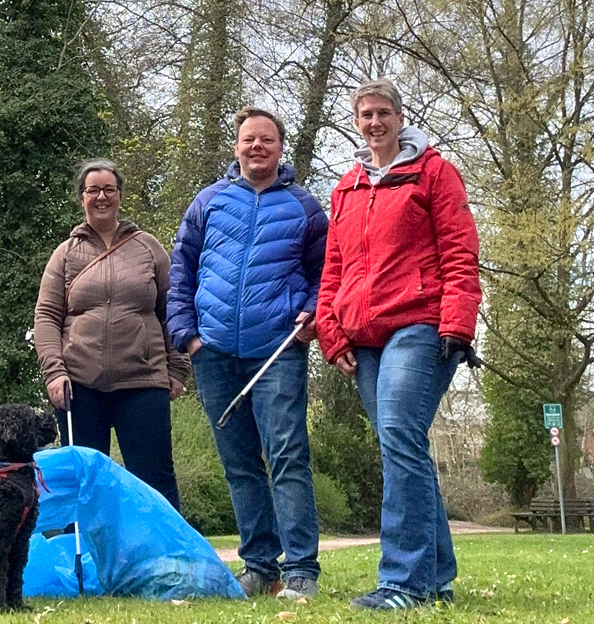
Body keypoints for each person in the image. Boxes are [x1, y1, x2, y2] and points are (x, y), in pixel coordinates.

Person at [315, 78, 481, 610]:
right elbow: (334, 268)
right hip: (362, 337)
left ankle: (403, 583)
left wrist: (457, 322)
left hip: (420, 325)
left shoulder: (433, 172)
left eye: (383, 112)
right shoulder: (347, 188)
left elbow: (459, 250)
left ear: (399, 117)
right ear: (356, 123)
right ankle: (436, 579)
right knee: (402, 445)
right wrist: (330, 331)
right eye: (365, 114)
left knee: (398, 437)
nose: (374, 122)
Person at [167, 107, 327, 600]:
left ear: (280, 148)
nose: (257, 147)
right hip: (213, 352)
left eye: (267, 140)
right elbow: (181, 268)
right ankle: (259, 566)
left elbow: (326, 274)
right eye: (248, 139)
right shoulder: (209, 201)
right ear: (236, 147)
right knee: (238, 464)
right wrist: (187, 335)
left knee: (287, 457)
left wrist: (313, 314)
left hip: (278, 352)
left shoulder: (305, 207)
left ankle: (300, 570)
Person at [34, 158, 191, 511]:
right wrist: (54, 372)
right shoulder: (64, 254)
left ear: (120, 195)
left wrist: (178, 367)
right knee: (83, 484)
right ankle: (84, 548)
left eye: (109, 189)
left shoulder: (148, 247)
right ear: (82, 197)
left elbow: (172, 309)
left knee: (154, 480)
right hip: (79, 384)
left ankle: (162, 547)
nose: (101, 197)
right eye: (93, 190)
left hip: (143, 379)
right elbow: (46, 316)